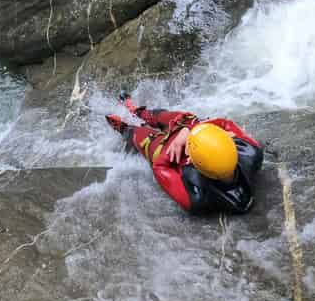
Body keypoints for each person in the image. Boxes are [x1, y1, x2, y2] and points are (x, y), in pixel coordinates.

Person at [106, 92, 264, 214]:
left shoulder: (195, 198)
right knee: (172, 117)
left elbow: (159, 167)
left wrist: (172, 146)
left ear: (193, 162)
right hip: (189, 128)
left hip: (168, 153)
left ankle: (125, 129)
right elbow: (224, 123)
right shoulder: (251, 152)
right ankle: (139, 112)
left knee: (143, 139)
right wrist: (188, 129)